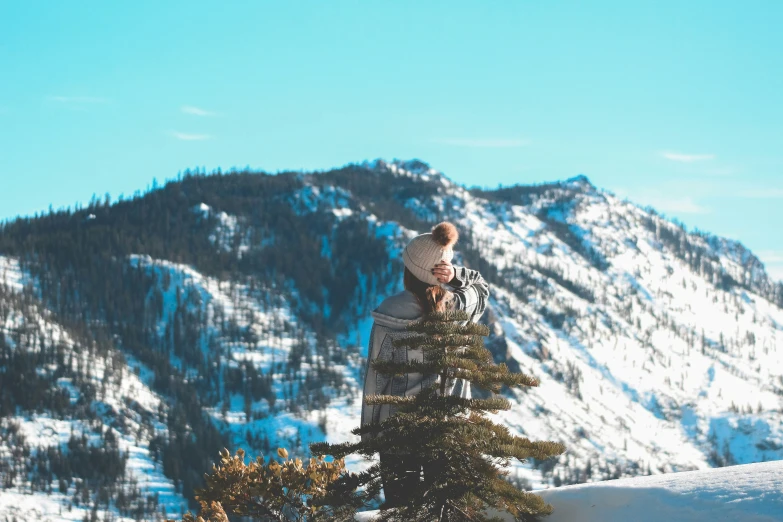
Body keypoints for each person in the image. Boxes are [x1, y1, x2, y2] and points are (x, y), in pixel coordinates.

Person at [360, 221, 490, 507]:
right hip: (446, 430)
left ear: (409, 272)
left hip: (397, 431)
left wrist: (370, 432)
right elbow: (481, 289)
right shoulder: (458, 308)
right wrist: (456, 276)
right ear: (440, 274)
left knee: (401, 510)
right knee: (445, 510)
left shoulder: (388, 313)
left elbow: (376, 377)